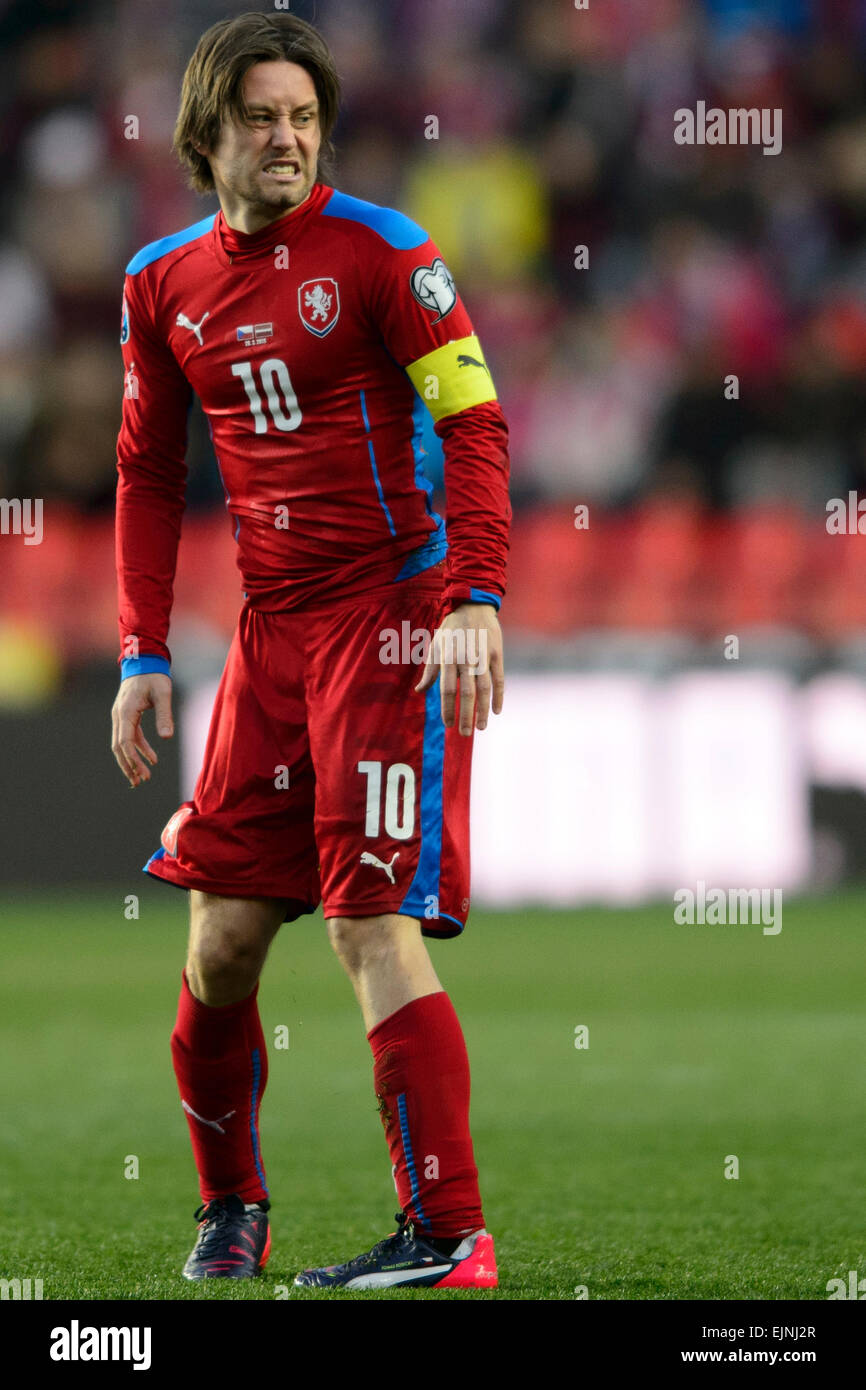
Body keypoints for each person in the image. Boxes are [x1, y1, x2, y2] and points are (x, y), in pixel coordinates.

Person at [111, 10, 509, 1292]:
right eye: (258, 119)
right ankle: (231, 1209)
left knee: (364, 921)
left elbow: (480, 426)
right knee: (220, 943)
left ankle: (447, 1236)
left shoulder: (389, 252)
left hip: (388, 619)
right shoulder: (159, 283)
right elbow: (144, 474)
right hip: (269, 637)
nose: (285, 139)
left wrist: (475, 596)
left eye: (301, 117)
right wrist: (138, 651)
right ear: (206, 134)